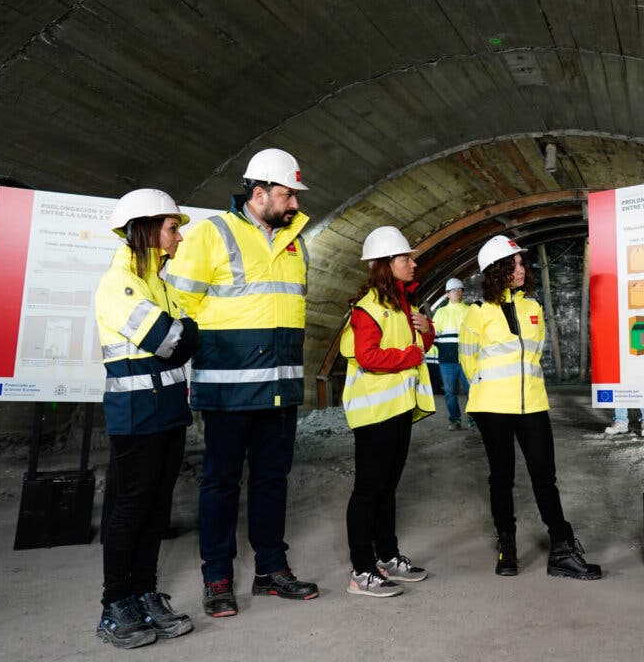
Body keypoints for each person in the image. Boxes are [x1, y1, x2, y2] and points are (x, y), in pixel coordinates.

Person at [164, 149, 318, 618]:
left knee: (272, 480)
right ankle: (217, 577)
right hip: (227, 388)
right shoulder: (212, 233)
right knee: (220, 483)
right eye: (287, 193)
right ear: (259, 192)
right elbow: (178, 305)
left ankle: (271, 570)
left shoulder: (296, 242)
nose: (294, 202)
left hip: (279, 387)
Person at [460, 235, 601, 580]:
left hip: (533, 405)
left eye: (522, 262)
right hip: (492, 407)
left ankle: (562, 550)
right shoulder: (477, 314)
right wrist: (491, 392)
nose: (522, 268)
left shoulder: (532, 306)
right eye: (515, 263)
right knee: (501, 478)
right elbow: (468, 363)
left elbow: (534, 357)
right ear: (496, 270)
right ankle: (507, 546)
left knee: (544, 476)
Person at [93, 189, 198, 648]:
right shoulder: (119, 283)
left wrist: (186, 333)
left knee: (155, 511)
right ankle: (115, 606)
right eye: (173, 228)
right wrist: (185, 334)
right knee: (129, 511)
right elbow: (172, 340)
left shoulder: (161, 284)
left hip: (170, 412)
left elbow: (189, 335)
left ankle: (144, 594)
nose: (178, 238)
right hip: (136, 417)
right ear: (147, 230)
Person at [338, 226, 436, 597]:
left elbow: (415, 343)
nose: (413, 263)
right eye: (406, 258)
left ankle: (387, 556)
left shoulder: (400, 303)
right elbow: (368, 356)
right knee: (368, 489)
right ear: (386, 264)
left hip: (397, 408)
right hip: (375, 413)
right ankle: (361, 571)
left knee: (388, 487)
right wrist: (412, 354)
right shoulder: (369, 309)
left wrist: (426, 330)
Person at [433, 277, 474, 430]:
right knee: (450, 393)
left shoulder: (470, 311)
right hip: (447, 360)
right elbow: (434, 336)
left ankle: (473, 419)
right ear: (447, 294)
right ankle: (455, 420)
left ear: (462, 293)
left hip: (467, 360)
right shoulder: (440, 313)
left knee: (471, 391)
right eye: (453, 290)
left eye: (459, 289)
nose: (456, 292)